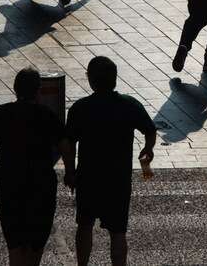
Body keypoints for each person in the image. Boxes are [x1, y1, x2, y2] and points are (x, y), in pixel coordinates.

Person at [61, 56, 158, 266]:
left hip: (88, 177)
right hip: (118, 179)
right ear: (114, 79)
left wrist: (69, 171)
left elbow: (69, 143)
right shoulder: (129, 105)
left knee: (85, 225)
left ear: (91, 80)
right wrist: (148, 149)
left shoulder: (80, 108)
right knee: (118, 231)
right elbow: (150, 130)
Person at [0, 68, 62, 266]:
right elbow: (65, 146)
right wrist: (69, 170)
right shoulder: (46, 115)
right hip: (41, 184)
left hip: (9, 182)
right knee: (36, 240)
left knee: (15, 241)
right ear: (38, 91)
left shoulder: (1, 113)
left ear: (15, 89)